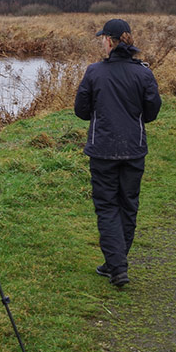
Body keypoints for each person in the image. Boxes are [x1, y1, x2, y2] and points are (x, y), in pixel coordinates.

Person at [73, 18, 162, 288]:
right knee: (128, 206)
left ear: (109, 41)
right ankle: (115, 263)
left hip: (102, 151)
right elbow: (152, 112)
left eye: (103, 37)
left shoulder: (94, 72)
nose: (102, 41)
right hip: (134, 149)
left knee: (107, 208)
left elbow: (81, 110)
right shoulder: (144, 73)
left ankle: (117, 267)